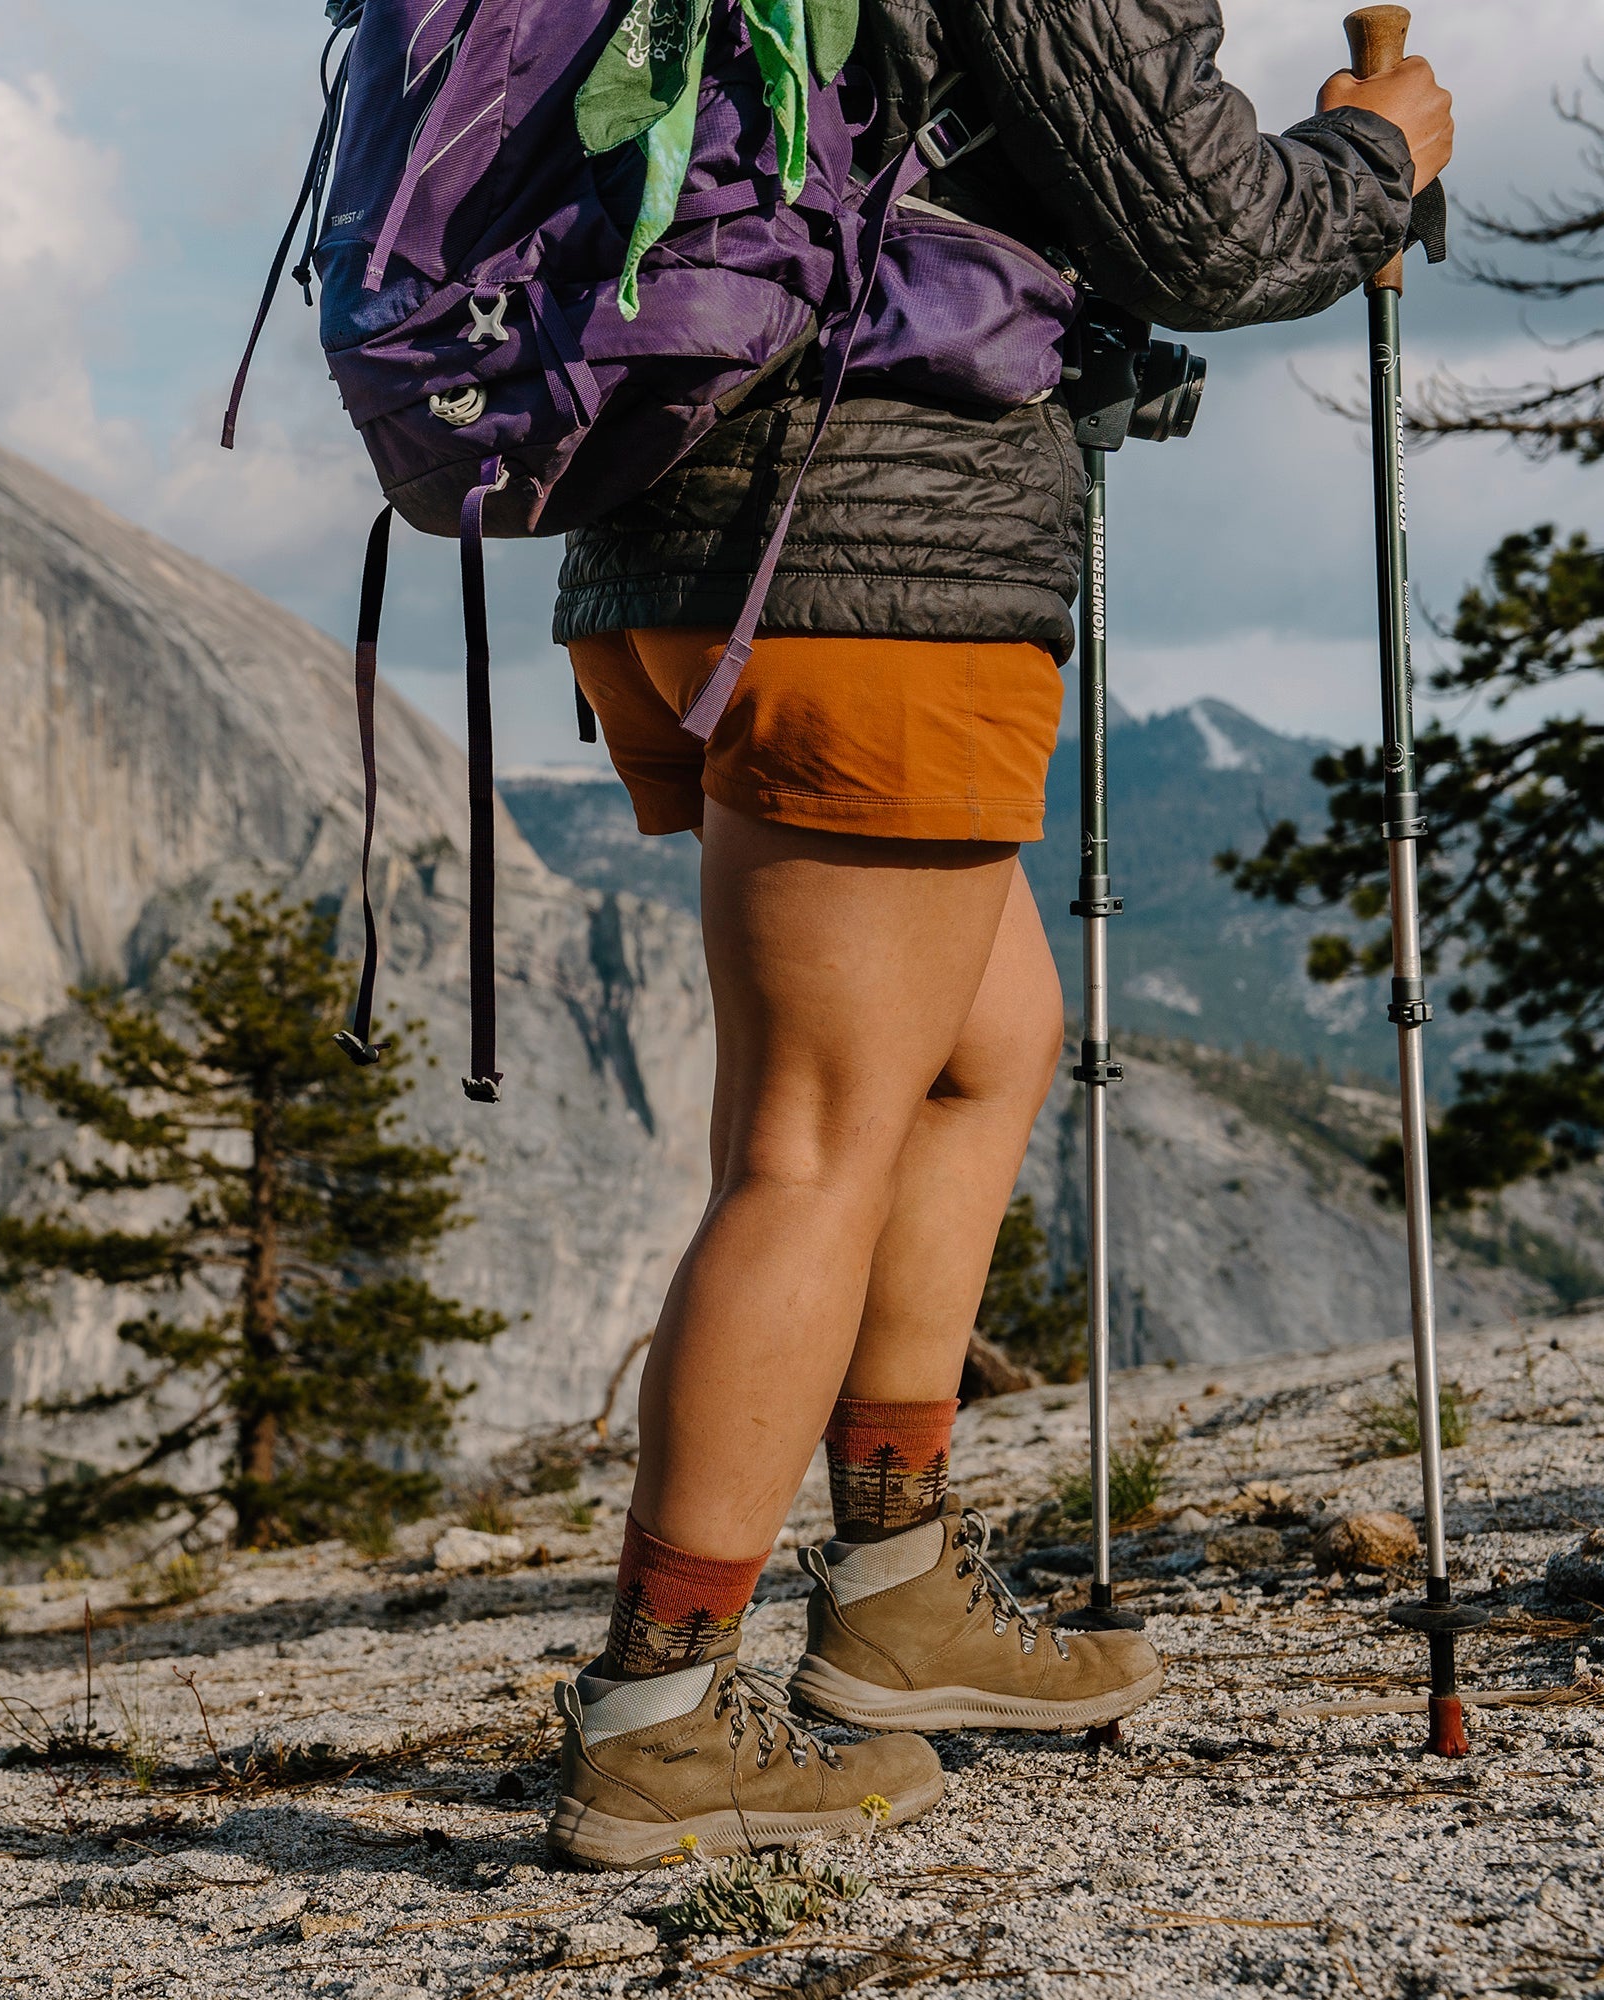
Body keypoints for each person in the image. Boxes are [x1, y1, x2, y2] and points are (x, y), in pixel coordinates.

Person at [544, 0, 1454, 1869]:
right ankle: (658, 1719)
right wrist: (1381, 154)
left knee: (983, 1042)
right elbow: (1208, 223)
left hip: (682, 534)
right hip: (873, 560)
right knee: (811, 1146)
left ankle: (894, 1591)